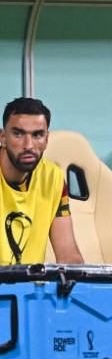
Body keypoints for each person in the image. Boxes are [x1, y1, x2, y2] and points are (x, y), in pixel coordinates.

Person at [0, 97, 83, 265]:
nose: (28, 145)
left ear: (46, 139)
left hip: (30, 282)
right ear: (3, 138)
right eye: (18, 134)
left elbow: (67, 254)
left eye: (37, 135)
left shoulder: (53, 178)